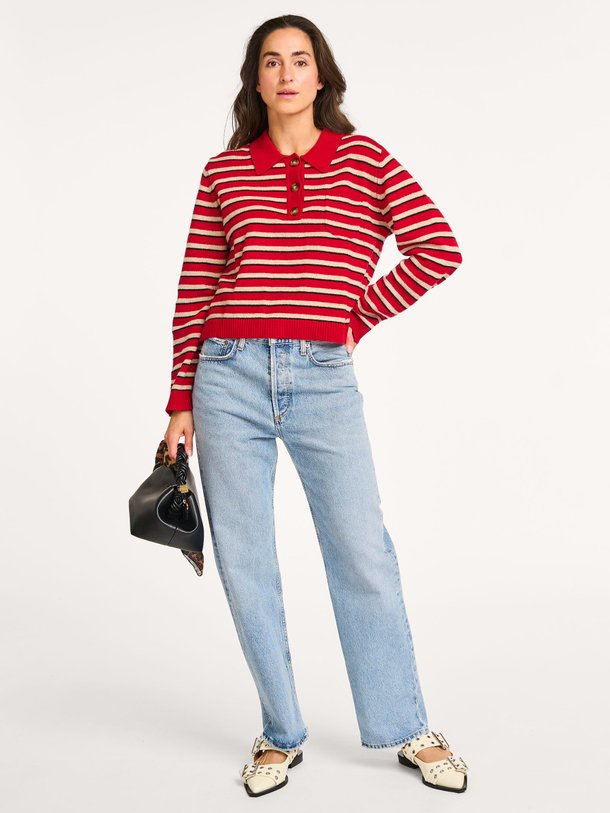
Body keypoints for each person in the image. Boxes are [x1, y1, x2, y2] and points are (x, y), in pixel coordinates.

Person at [164, 14, 468, 798]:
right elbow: (196, 286)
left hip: (322, 374)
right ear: (256, 80)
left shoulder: (365, 159)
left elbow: (438, 246)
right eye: (271, 62)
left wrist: (356, 317)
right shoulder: (224, 172)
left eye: (300, 60)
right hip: (225, 373)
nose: (287, 73)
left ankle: (405, 723)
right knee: (246, 559)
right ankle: (280, 730)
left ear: (321, 75)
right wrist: (178, 399)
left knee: (362, 549)